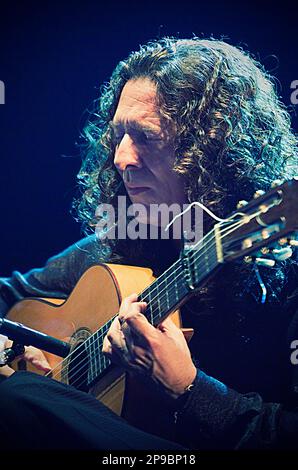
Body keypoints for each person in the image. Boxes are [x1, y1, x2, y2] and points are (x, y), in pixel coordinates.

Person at [0, 36, 297, 451]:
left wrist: (189, 389)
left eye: (145, 136)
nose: (121, 158)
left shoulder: (286, 272)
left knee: (16, 401)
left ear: (211, 149)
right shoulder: (129, 239)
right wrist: (13, 351)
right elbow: (7, 298)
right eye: (118, 135)